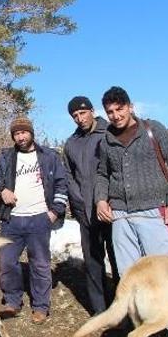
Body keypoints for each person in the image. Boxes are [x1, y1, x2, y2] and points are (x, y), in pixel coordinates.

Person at [94, 86, 168, 337]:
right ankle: (142, 333)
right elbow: (102, 174)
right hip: (121, 216)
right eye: (110, 111)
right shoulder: (106, 140)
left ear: (130, 106)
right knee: (129, 277)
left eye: (119, 109)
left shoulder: (152, 129)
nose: (115, 115)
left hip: (153, 211)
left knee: (164, 275)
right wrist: (101, 200)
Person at [0, 115, 68, 325]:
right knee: (7, 262)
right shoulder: (6, 156)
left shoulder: (49, 156)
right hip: (12, 219)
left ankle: (41, 306)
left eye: (24, 132)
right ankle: (13, 301)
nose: (20, 137)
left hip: (39, 218)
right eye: (16, 134)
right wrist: (2, 189)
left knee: (40, 264)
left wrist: (55, 211)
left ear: (31, 133)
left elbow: (62, 184)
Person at [63, 96, 118, 315]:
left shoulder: (109, 133)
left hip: (112, 210)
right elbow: (69, 175)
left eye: (83, 113)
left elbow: (116, 170)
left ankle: (123, 304)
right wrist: (78, 203)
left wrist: (111, 201)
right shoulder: (71, 143)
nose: (79, 118)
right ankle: (99, 310)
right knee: (93, 262)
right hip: (86, 213)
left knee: (118, 259)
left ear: (92, 111)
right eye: (75, 116)